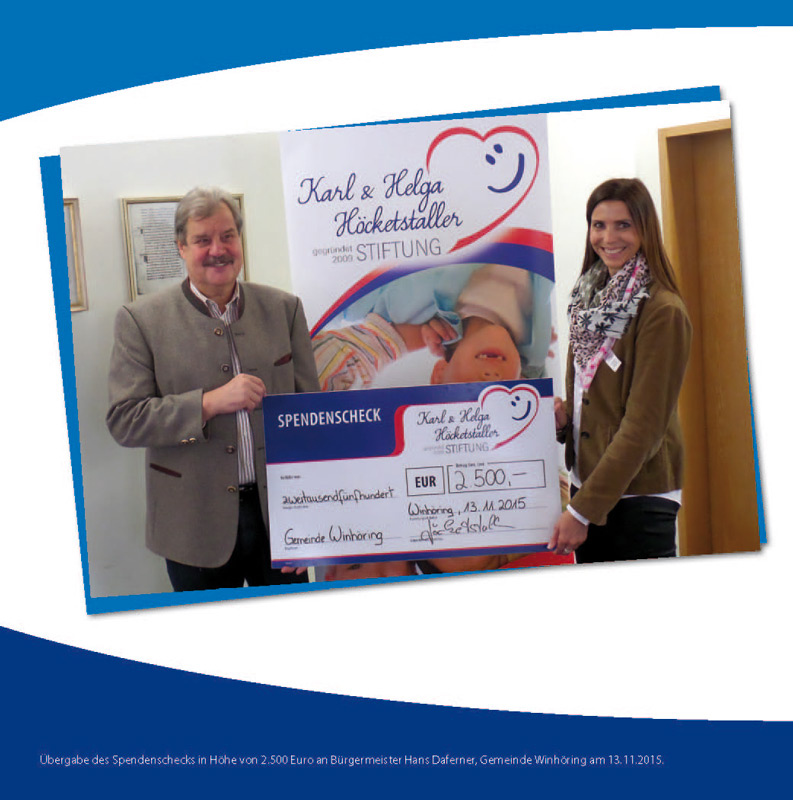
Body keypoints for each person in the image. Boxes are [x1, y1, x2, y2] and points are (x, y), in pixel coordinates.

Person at [107, 187, 320, 591]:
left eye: (227, 236)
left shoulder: (284, 309)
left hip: (281, 515)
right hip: (193, 522)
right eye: (203, 240)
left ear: (240, 240)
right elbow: (125, 421)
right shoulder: (140, 321)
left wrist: (312, 518)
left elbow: (310, 419)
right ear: (181, 247)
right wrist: (208, 404)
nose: (218, 250)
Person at [549, 178, 692, 563]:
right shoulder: (588, 301)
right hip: (587, 486)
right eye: (599, 225)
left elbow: (644, 427)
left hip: (636, 498)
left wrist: (582, 512)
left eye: (623, 225)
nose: (608, 237)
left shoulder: (662, 311)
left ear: (645, 229)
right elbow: (595, 398)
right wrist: (565, 422)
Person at [312, 262, 554, 391]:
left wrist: (407, 335)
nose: (491, 379)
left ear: (439, 375)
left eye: (470, 390)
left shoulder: (405, 309)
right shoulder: (536, 345)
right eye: (501, 395)